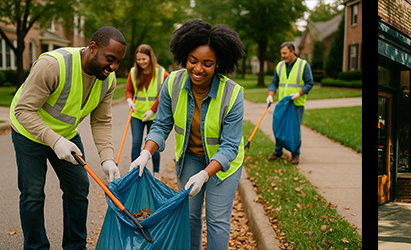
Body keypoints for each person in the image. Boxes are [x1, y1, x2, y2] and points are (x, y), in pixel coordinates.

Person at [129, 19, 249, 250]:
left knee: (217, 219)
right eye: (192, 61)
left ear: (218, 63)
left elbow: (230, 147)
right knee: (190, 216)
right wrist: (145, 153)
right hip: (190, 158)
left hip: (224, 164)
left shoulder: (233, 94)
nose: (198, 69)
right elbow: (161, 125)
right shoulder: (172, 83)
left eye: (207, 63)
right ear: (184, 56)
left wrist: (205, 174)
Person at [10, 26, 128, 250]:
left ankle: (76, 247)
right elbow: (23, 111)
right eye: (110, 59)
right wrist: (53, 141)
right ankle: (36, 247)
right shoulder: (52, 65)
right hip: (29, 133)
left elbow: (101, 121)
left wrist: (107, 159)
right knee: (33, 194)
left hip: (66, 135)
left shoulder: (108, 80)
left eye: (118, 62)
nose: (113, 67)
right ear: (92, 48)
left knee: (78, 188)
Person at [126, 44, 170, 172]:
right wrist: (129, 100)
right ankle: (134, 173)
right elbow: (129, 90)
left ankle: (156, 172)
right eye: (138, 59)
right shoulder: (133, 72)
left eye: (144, 59)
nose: (141, 62)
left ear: (150, 58)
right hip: (137, 114)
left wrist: (152, 110)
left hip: (155, 116)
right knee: (136, 143)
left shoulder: (162, 74)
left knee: (152, 145)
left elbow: (164, 95)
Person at [268, 42, 314, 164]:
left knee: (294, 130)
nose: (282, 55)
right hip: (283, 104)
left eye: (285, 53)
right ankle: (278, 151)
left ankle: (295, 154)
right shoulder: (279, 66)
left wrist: (300, 93)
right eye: (281, 53)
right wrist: (270, 95)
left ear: (292, 52)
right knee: (279, 127)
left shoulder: (303, 65)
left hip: (296, 104)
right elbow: (274, 82)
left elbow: (309, 83)